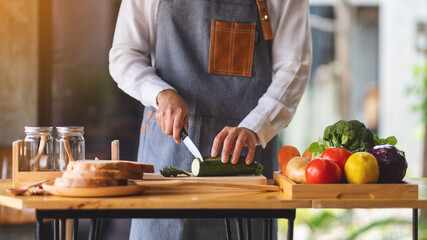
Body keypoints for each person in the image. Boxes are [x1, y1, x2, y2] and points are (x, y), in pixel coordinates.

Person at [109, 0, 312, 239]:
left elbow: (294, 66)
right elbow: (124, 55)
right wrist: (159, 92)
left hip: (246, 170)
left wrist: (256, 125)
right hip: (165, 162)